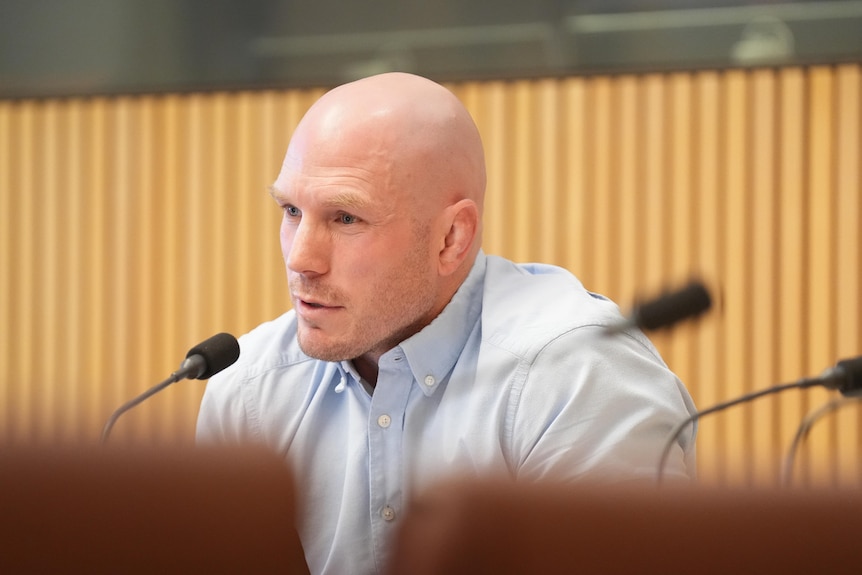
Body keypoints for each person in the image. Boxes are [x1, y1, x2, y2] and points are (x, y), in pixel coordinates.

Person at [196, 72, 697, 575]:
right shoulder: (248, 388)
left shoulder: (574, 374)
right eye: (290, 211)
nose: (301, 259)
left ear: (452, 238)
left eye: (346, 218)